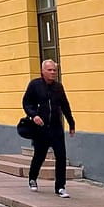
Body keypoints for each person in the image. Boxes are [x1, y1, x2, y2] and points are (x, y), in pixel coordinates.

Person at [22, 59, 76, 197]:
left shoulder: (58, 87)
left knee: (61, 156)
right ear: (43, 71)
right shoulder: (35, 85)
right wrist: (34, 115)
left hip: (56, 127)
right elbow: (26, 103)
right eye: (50, 70)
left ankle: (60, 187)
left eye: (54, 70)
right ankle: (32, 178)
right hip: (41, 128)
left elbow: (65, 105)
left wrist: (71, 123)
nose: (53, 73)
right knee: (39, 156)